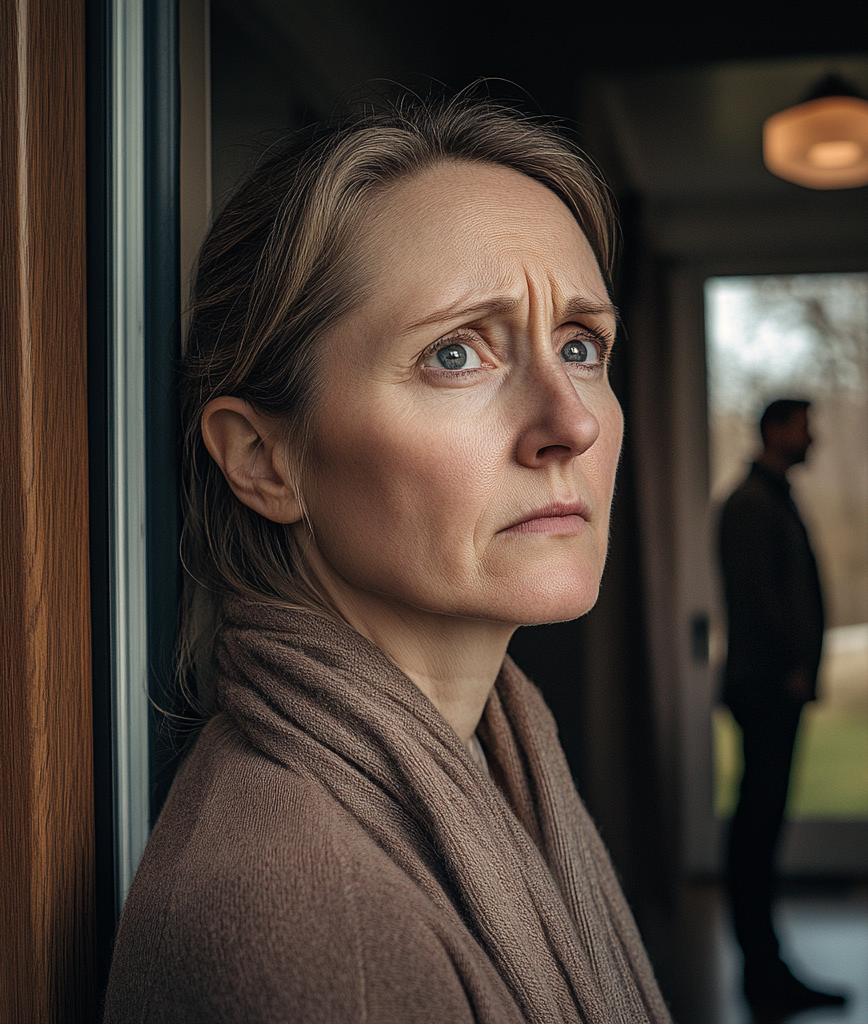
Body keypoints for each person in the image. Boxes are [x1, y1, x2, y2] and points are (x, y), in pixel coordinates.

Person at [102, 95, 672, 1024]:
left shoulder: (496, 767)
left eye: (580, 345)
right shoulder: (318, 942)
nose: (568, 423)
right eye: (456, 354)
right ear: (263, 459)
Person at [717, 399, 846, 1015]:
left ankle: (767, 968)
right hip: (767, 688)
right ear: (774, 430)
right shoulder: (750, 504)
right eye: (803, 425)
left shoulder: (771, 497)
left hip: (776, 686)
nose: (812, 436)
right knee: (756, 831)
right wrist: (791, 664)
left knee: (762, 827)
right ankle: (763, 973)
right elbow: (758, 598)